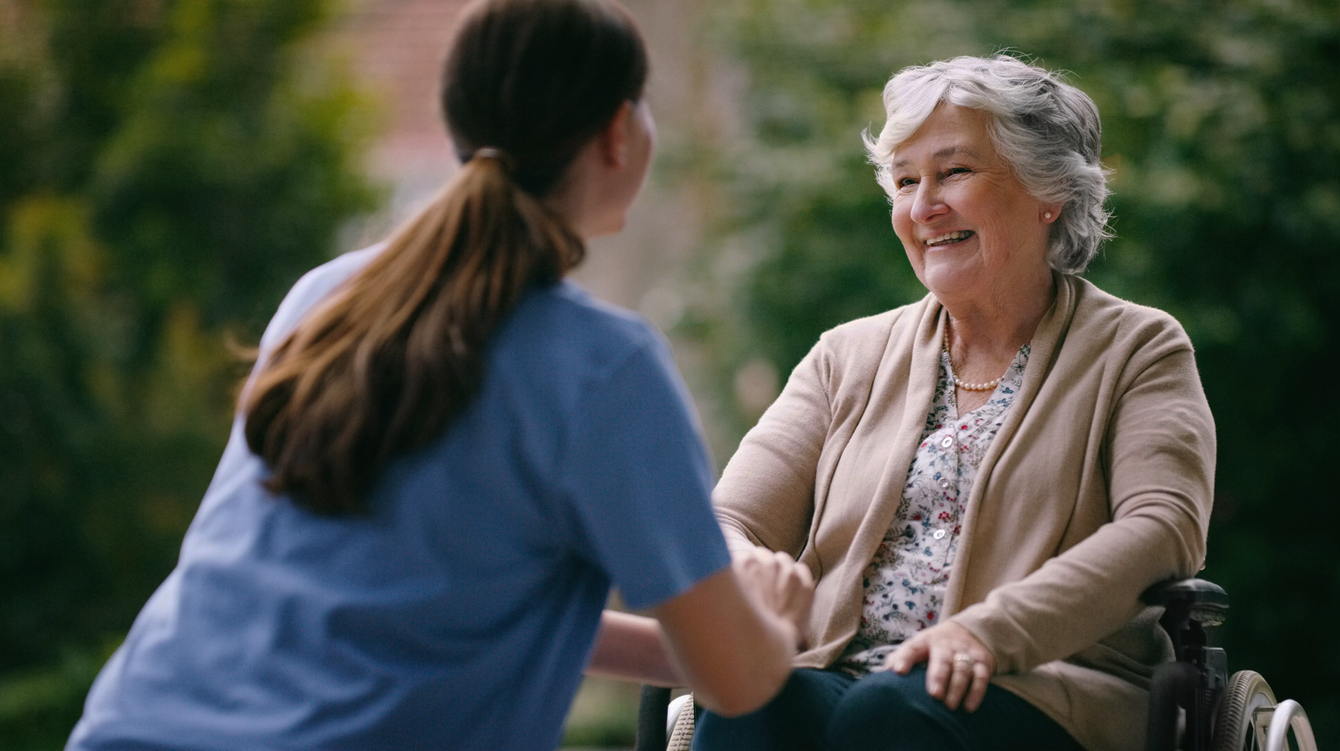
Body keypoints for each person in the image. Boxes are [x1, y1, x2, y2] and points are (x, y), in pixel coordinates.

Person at [64, 1, 812, 749]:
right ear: (618, 133)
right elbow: (738, 681)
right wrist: (773, 624)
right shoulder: (604, 368)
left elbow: (433, 605)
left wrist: (686, 647)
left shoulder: (328, 297)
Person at [691, 55, 1216, 751]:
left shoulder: (1136, 348)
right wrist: (746, 566)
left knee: (888, 714)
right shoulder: (844, 355)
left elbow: (1161, 527)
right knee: (750, 703)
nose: (922, 206)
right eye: (905, 181)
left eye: (954, 172)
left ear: (1046, 189)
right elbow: (731, 518)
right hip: (840, 673)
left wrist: (987, 631)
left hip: (1041, 686)